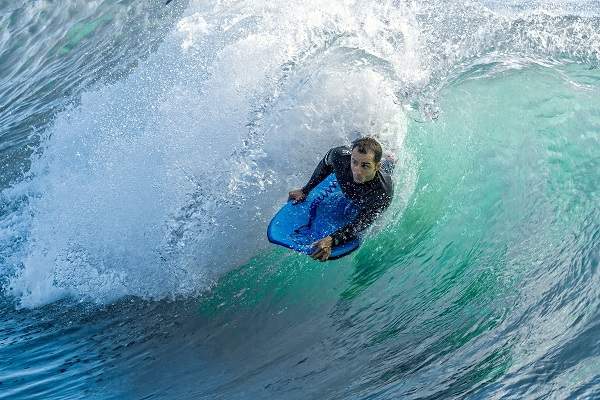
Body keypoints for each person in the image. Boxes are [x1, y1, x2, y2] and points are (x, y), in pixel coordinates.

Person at [288, 137, 394, 261]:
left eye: (365, 166)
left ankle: (390, 158)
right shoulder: (339, 156)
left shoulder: (383, 192)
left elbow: (360, 223)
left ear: (376, 166)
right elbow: (325, 164)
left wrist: (332, 239)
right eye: (354, 162)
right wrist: (305, 190)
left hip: (382, 174)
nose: (357, 171)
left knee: (389, 164)